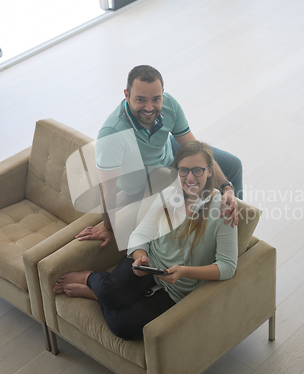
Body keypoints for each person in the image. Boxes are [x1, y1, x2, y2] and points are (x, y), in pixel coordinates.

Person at [54, 141, 238, 340]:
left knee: (123, 326)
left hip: (177, 288)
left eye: (197, 170)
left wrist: (184, 271)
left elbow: (227, 266)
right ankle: (90, 277)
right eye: (183, 170)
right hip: (149, 263)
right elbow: (141, 234)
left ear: (210, 171)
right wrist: (140, 258)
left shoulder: (223, 210)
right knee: (111, 294)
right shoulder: (168, 195)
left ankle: (96, 294)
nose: (190, 177)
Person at [75, 65, 243, 249]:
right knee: (194, 190)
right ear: (126, 95)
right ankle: (224, 236)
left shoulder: (169, 104)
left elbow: (194, 148)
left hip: (168, 153)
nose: (149, 107)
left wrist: (227, 187)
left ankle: (236, 225)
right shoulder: (112, 134)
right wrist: (109, 227)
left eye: (156, 99)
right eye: (140, 100)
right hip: (148, 181)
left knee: (233, 166)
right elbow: (106, 189)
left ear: (163, 92)